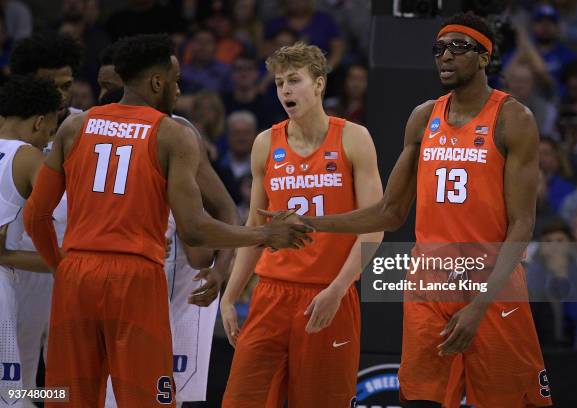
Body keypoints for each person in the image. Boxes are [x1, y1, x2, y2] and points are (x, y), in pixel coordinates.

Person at [265, 13, 552, 407]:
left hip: (491, 282)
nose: (445, 56)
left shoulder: (513, 118)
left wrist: (480, 304)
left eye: (458, 47)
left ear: (485, 57)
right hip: (429, 281)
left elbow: (522, 225)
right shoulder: (424, 117)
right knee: (420, 399)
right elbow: (388, 211)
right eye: (439, 49)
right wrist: (311, 221)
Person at [23, 33, 311, 407]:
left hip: (76, 274)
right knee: (148, 400)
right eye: (176, 82)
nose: (179, 90)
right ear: (157, 82)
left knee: (67, 399)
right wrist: (265, 232)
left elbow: (35, 216)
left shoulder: (75, 127)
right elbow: (194, 228)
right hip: (135, 278)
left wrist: (61, 267)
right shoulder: (172, 134)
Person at [220, 41, 384, 407]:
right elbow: (254, 227)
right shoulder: (266, 143)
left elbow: (374, 227)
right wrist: (230, 296)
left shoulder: (353, 138)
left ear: (320, 84)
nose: (285, 91)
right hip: (271, 294)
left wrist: (339, 288)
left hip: (328, 294)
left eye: (294, 80)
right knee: (240, 400)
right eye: (279, 83)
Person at [95, 39, 242, 408]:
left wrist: (221, 270)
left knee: (160, 397)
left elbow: (210, 232)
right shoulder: (84, 128)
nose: (104, 95)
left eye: (110, 87)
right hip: (110, 279)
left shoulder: (177, 133)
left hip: (171, 288)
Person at [0, 75, 61, 407]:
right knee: (13, 395)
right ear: (40, 122)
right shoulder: (28, 157)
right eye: (51, 131)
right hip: (3, 285)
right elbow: (65, 219)